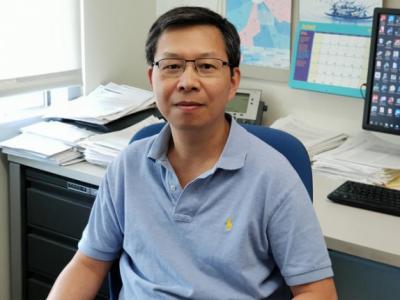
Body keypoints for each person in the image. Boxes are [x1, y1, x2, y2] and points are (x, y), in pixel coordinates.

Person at [48, 6, 337, 299]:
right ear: (152, 78)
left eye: (206, 66)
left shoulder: (274, 176)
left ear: (233, 81)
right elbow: (87, 264)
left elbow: (317, 291)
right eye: (172, 66)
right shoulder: (127, 166)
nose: (187, 81)